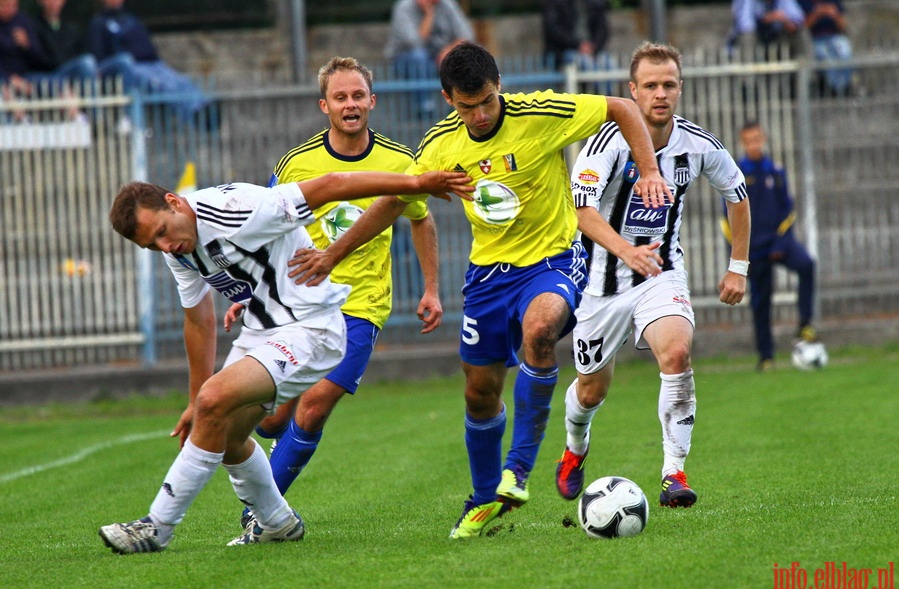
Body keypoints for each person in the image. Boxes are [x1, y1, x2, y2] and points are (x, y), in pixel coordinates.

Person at [288, 41, 672, 539]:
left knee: (540, 329)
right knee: (479, 392)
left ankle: (519, 470)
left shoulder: (542, 112)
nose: (480, 115)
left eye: (488, 101)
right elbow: (392, 202)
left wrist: (648, 170)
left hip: (550, 261)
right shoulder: (441, 142)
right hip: (487, 277)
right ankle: (485, 498)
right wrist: (331, 255)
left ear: (499, 88)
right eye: (467, 107)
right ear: (449, 99)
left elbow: (620, 108)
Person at [98, 168, 471, 554]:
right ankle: (278, 523)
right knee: (223, 437)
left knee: (216, 400)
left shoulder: (238, 209)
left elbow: (331, 185)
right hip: (262, 333)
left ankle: (156, 527)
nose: (165, 247)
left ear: (174, 203)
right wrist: (194, 401)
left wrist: (417, 184)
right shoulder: (180, 249)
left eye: (161, 232)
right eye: (152, 245)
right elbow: (198, 318)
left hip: (312, 330)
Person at [235, 56, 444, 524]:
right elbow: (264, 230)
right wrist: (247, 293)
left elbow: (422, 219)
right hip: (297, 306)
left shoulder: (399, 161)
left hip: (360, 306)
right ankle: (272, 466)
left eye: (357, 96)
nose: (350, 104)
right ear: (323, 105)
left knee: (313, 407)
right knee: (271, 418)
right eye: (340, 97)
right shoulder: (297, 163)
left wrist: (431, 289)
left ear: (372, 100)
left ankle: (261, 515)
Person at [554, 42, 751, 509]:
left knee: (677, 352)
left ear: (680, 88)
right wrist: (626, 251)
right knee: (590, 388)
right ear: (632, 90)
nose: (659, 94)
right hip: (599, 284)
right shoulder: (605, 142)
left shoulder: (698, 144)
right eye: (650, 85)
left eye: (668, 85)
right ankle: (575, 448)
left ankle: (673, 473)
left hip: (660, 275)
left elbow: (738, 195)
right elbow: (580, 211)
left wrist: (737, 267)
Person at [722, 121, 816, 372]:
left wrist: (780, 241)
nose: (754, 144)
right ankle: (766, 357)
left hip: (779, 243)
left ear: (763, 139)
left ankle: (804, 322)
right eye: (749, 140)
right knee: (760, 302)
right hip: (754, 251)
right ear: (743, 142)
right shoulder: (736, 173)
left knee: (806, 264)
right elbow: (727, 219)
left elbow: (788, 210)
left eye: (757, 139)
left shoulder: (775, 170)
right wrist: (739, 255)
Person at [86, 0, 208, 122]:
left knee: (181, 81)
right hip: (132, 66)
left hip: (153, 63)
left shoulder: (131, 19)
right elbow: (99, 57)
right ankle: (192, 114)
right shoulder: (99, 23)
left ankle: (204, 108)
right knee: (163, 85)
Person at [384, 0, 473, 118]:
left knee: (461, 54)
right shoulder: (404, 7)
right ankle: (424, 106)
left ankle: (460, 102)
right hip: (406, 58)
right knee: (419, 57)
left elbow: (467, 35)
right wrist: (429, 14)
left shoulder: (447, 4)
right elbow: (415, 42)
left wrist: (449, 50)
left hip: (439, 55)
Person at [799, 0, 854, 96]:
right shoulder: (804, 2)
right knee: (826, 58)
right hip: (816, 38)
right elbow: (804, 26)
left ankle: (844, 86)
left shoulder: (833, 2)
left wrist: (834, 15)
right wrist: (817, 14)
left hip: (835, 36)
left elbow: (844, 26)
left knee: (845, 54)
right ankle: (835, 89)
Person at [32, 0, 96, 78]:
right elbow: (37, 58)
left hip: (71, 74)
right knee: (86, 62)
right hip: (47, 75)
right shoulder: (33, 27)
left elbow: (80, 51)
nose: (53, 2)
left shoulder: (70, 28)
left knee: (88, 61)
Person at [541, 0, 610, 72]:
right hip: (564, 51)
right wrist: (579, 45)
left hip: (592, 50)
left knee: (609, 64)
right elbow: (553, 30)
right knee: (586, 65)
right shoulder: (554, 4)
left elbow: (602, 29)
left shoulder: (595, 4)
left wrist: (594, 46)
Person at [729, 0, 806, 60]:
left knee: (801, 32)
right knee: (747, 37)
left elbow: (798, 19)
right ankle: (747, 79)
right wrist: (764, 18)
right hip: (751, 39)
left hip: (774, 39)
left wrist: (786, 21)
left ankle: (804, 75)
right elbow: (745, 25)